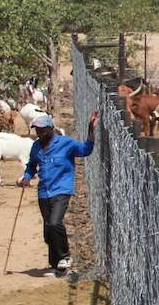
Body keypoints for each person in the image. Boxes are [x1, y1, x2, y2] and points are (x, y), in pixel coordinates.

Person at [19, 111, 99, 276]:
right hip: (44, 192)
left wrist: (91, 130)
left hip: (62, 189)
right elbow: (31, 165)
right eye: (37, 130)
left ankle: (65, 256)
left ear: (51, 129)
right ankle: (56, 266)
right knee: (48, 231)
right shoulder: (36, 147)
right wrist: (26, 177)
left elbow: (85, 150)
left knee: (55, 223)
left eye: (42, 130)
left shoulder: (66, 143)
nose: (39, 133)